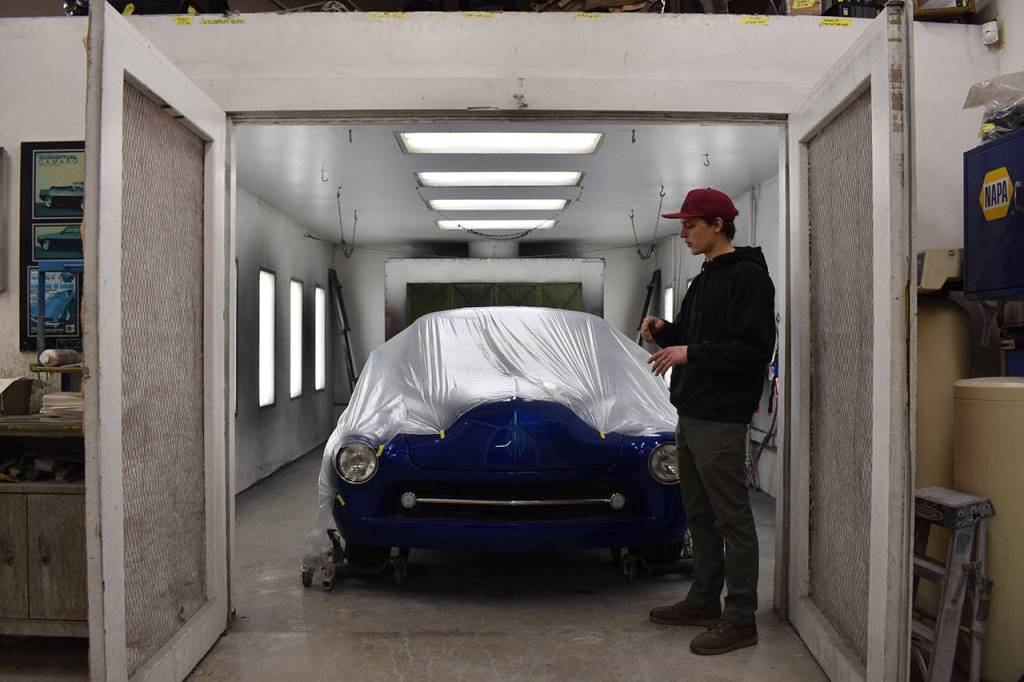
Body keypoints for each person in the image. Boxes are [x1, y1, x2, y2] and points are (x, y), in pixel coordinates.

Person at [641, 188, 775, 656]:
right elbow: (696, 341)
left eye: (691, 224)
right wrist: (666, 332)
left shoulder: (748, 278)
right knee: (698, 515)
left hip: (721, 421)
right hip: (691, 413)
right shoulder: (705, 278)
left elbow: (755, 350)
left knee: (731, 519)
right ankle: (703, 600)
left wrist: (689, 351)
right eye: (682, 225)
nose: (683, 233)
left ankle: (740, 619)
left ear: (718, 224)